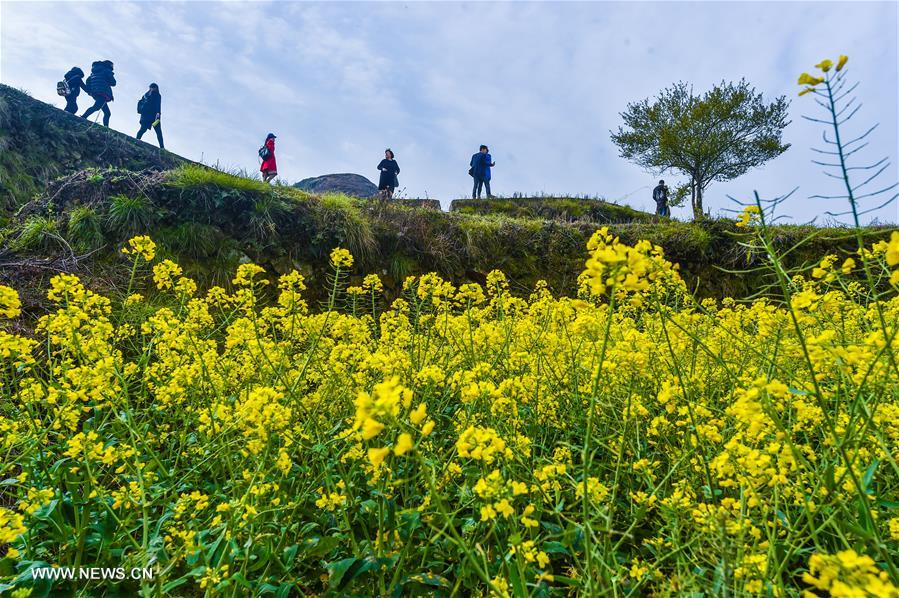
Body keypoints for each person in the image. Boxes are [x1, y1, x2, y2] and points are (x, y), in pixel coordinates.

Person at [81, 60, 116, 126]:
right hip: (103, 93)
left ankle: (106, 127)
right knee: (96, 107)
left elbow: (88, 80)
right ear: (109, 65)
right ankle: (83, 117)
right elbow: (113, 83)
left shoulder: (94, 72)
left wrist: (90, 91)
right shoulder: (107, 71)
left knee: (107, 113)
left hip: (96, 93)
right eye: (112, 65)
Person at [136, 83, 164, 149]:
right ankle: (162, 147)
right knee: (158, 131)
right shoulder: (157, 95)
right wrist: (158, 116)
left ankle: (137, 139)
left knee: (143, 129)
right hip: (154, 117)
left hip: (146, 117)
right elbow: (158, 106)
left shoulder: (145, 95)